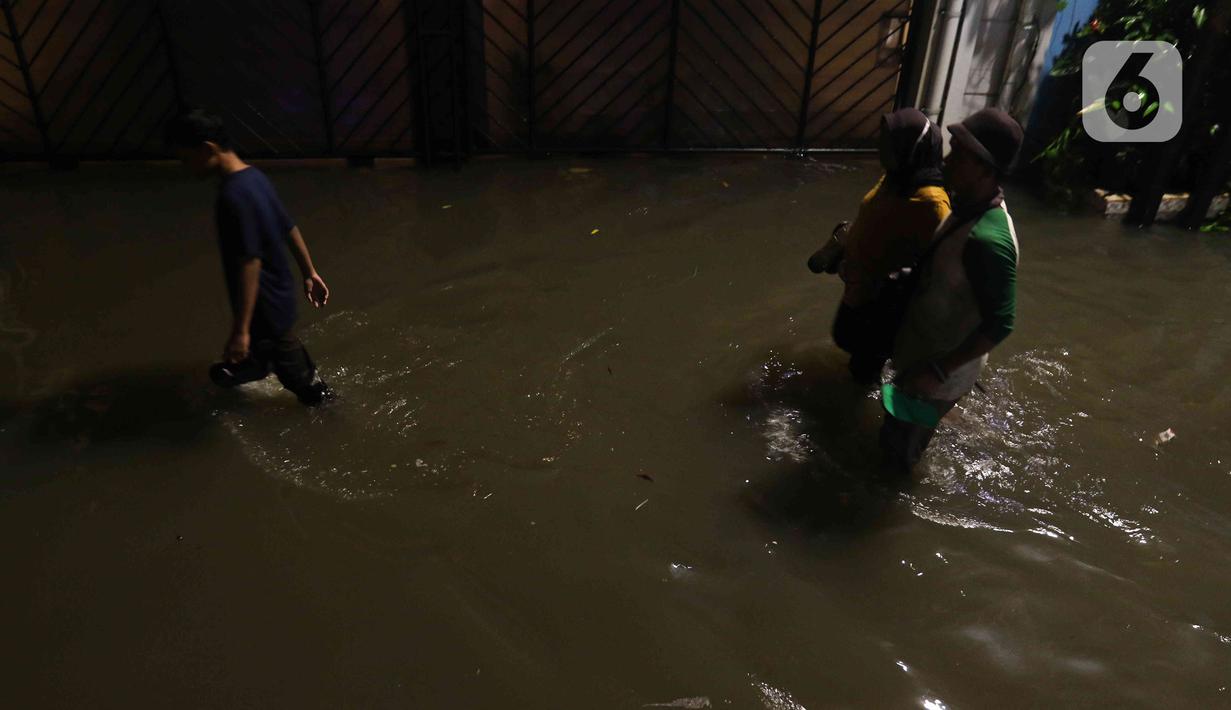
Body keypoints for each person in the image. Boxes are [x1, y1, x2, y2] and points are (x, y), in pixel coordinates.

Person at [880, 108, 1024, 473]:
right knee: (893, 434)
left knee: (898, 457)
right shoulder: (964, 205)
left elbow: (1001, 323)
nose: (947, 159)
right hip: (923, 353)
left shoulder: (990, 239)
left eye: (959, 152)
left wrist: (938, 372)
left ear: (985, 168)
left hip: (936, 372)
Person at [164, 108, 332, 405]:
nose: (186, 167)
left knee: (310, 389)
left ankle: (330, 416)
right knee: (248, 360)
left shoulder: (233, 196)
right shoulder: (255, 177)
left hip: (266, 311)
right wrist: (310, 272)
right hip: (277, 297)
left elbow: (250, 261)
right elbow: (288, 225)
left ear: (207, 149)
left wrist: (240, 329)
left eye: (186, 159)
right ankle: (248, 365)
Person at [808, 107, 951, 385]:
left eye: (889, 141)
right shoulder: (893, 179)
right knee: (858, 360)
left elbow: (942, 264)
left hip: (882, 303)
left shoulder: (933, 203)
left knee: (864, 370)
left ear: (912, 149)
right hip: (859, 287)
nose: (880, 146)